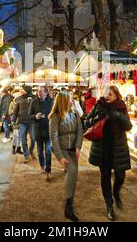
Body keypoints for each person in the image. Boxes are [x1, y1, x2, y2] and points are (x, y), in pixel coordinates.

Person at [85, 85, 132, 221]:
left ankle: (116, 193)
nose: (107, 96)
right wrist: (96, 119)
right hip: (102, 148)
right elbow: (86, 122)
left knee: (120, 176)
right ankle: (109, 205)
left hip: (118, 148)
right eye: (106, 93)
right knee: (105, 176)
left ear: (116, 95)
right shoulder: (98, 106)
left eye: (110, 94)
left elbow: (128, 126)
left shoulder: (121, 107)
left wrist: (118, 116)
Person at [49, 92, 83, 222]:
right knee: (72, 171)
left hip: (73, 150)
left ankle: (70, 202)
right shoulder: (55, 116)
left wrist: (78, 146)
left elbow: (80, 130)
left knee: (74, 175)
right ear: (63, 101)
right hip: (63, 150)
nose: (72, 101)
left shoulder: (74, 113)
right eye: (70, 99)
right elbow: (54, 137)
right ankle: (68, 207)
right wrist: (59, 156)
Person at [29, 86, 54, 180]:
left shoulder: (51, 101)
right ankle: (42, 166)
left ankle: (48, 170)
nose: (39, 93)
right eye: (38, 91)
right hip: (38, 130)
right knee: (39, 152)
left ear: (46, 92)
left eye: (41, 91)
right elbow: (29, 115)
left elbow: (56, 113)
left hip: (48, 130)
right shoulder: (34, 102)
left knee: (48, 151)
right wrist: (35, 116)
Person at [13, 85, 36, 163]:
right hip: (22, 122)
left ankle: (31, 150)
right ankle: (26, 155)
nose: (20, 90)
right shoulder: (19, 98)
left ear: (27, 90)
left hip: (32, 122)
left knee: (33, 138)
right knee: (23, 139)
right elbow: (16, 110)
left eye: (22, 89)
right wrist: (13, 120)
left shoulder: (34, 98)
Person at [9, 88, 23, 155]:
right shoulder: (12, 103)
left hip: (21, 121)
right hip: (15, 122)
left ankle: (19, 149)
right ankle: (13, 148)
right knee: (15, 136)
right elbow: (9, 112)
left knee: (20, 136)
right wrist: (15, 109)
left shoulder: (22, 102)